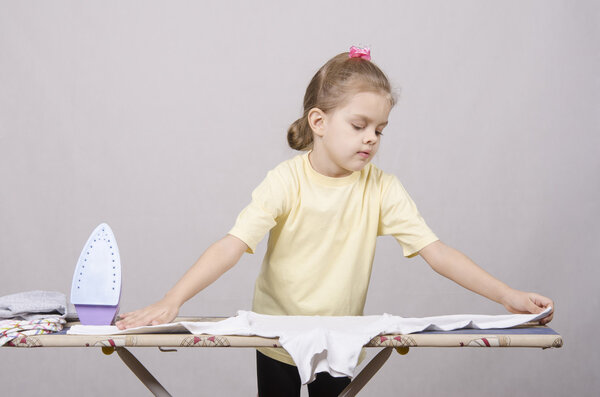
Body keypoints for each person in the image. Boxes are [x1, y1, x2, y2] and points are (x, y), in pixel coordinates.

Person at [115, 46, 554, 396]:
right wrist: (173, 301)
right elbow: (232, 244)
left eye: (380, 130)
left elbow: (436, 252)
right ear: (319, 122)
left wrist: (507, 296)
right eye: (360, 124)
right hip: (277, 337)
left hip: (341, 337)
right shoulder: (285, 181)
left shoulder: (382, 188)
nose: (371, 138)